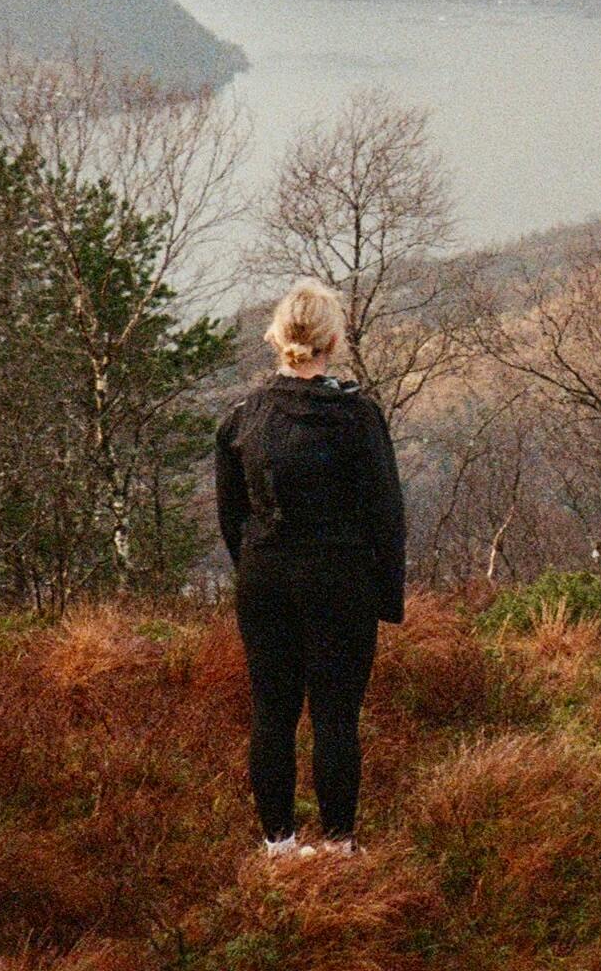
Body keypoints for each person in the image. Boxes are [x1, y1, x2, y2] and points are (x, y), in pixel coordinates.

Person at [218, 281, 406, 856]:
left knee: (272, 712)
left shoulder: (243, 418)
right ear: (332, 340)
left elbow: (232, 518)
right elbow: (387, 517)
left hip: (266, 580)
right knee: (335, 717)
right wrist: (386, 597)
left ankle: (278, 846)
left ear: (279, 337)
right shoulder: (358, 417)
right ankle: (339, 847)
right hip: (339, 582)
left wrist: (255, 568)